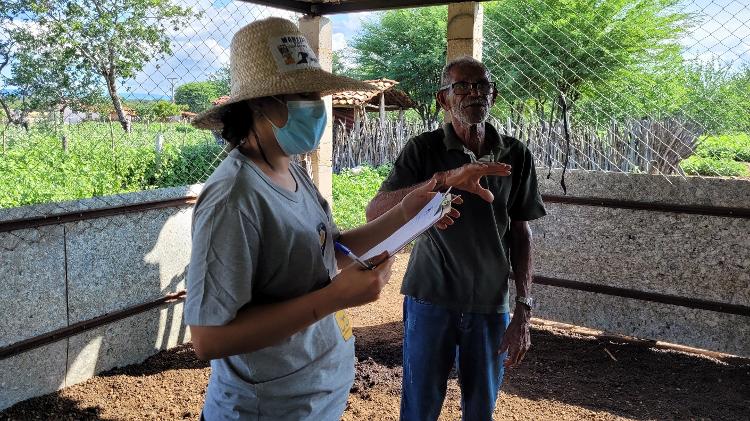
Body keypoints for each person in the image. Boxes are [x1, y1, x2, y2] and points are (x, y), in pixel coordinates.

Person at [183, 18, 507, 421]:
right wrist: (335, 298)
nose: (316, 106)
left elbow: (329, 250)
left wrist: (406, 212)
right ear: (258, 104)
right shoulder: (233, 198)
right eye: (302, 94)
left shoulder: (290, 168)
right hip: (267, 410)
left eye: (317, 92)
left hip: (313, 401)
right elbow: (209, 339)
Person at [366, 56, 547, 421]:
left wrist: (524, 307)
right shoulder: (424, 150)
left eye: (482, 86)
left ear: (493, 95)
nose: (473, 94)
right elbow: (376, 210)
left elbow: (521, 232)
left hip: (490, 303)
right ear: (443, 99)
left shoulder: (515, 154)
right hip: (431, 296)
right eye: (461, 86)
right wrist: (445, 178)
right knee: (420, 405)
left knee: (481, 408)